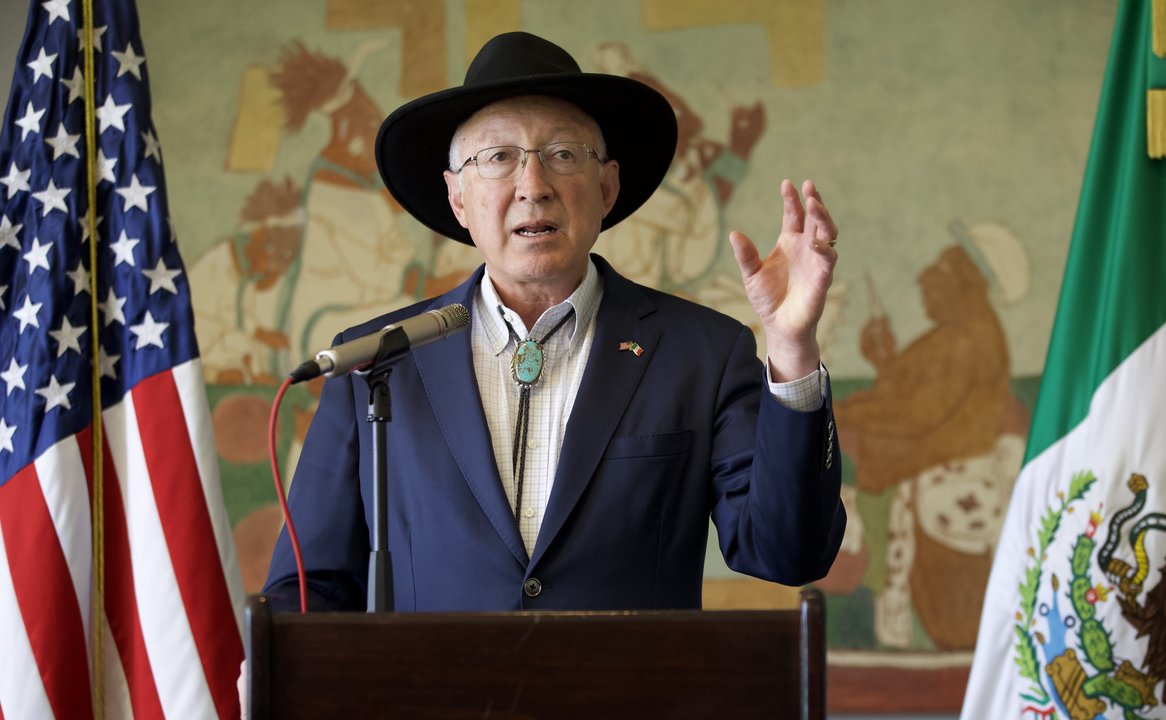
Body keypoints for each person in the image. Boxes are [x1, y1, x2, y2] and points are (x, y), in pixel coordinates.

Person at [263, 31, 846, 612]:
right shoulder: (376, 360)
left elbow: (787, 555)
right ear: (459, 199)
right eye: (497, 159)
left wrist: (792, 347)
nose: (533, 187)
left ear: (607, 187)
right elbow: (309, 586)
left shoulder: (701, 352)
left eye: (563, 155)